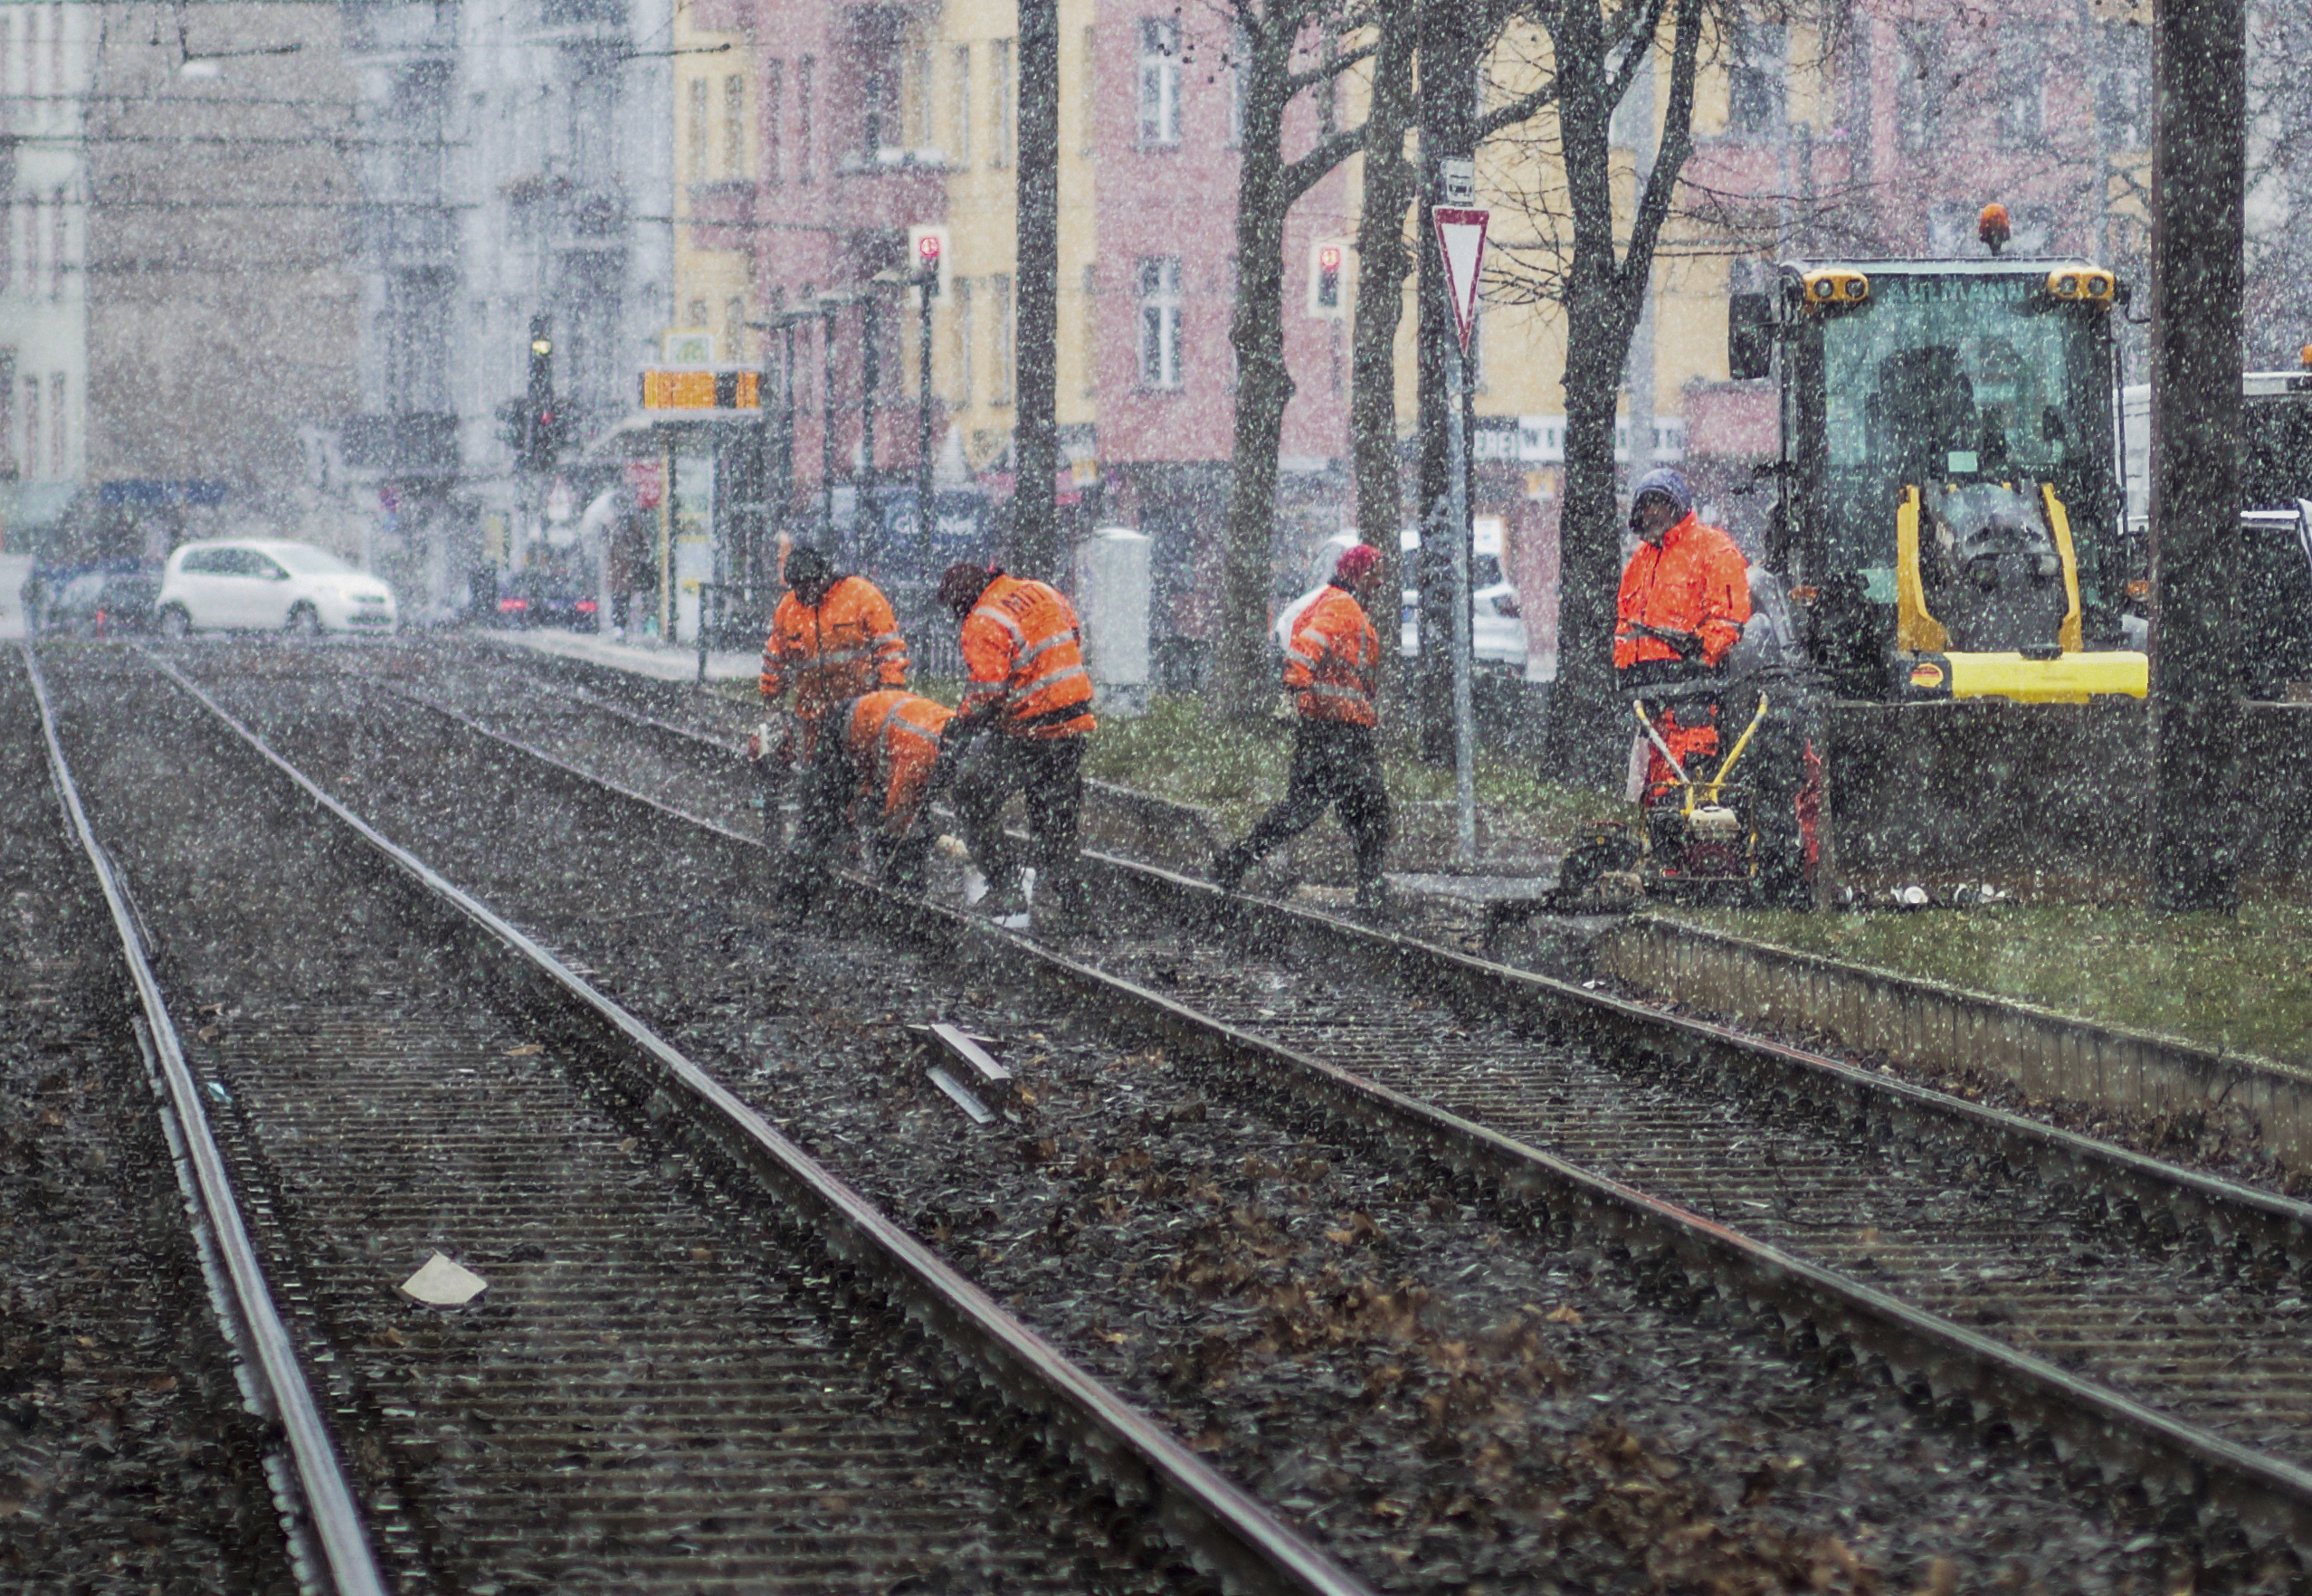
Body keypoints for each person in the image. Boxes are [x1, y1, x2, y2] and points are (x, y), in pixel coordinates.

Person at [1212, 542, 1392, 912]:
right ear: (1358, 573)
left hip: (1327, 728)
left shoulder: (1340, 604)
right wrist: (1295, 684)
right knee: (1370, 810)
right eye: (1375, 573)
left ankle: (1237, 860)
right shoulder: (1341, 605)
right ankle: (1372, 893)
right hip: (1341, 730)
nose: (1381, 581)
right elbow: (1310, 643)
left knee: (1304, 807)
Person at [937, 560, 1097, 922]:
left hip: (1030, 728)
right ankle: (1075, 907)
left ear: (963, 601)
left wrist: (961, 727)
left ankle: (1005, 886)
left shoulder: (982, 619)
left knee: (970, 791)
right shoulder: (1039, 590)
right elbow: (1072, 632)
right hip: (1073, 722)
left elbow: (987, 692)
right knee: (1055, 816)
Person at [753, 544, 909, 854]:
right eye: (797, 588)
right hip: (815, 716)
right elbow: (775, 658)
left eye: (809, 585)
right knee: (821, 782)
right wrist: (772, 707)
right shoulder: (788, 610)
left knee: (867, 780)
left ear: (825, 577)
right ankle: (839, 841)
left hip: (860, 712)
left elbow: (890, 649)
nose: (804, 593)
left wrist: (887, 697)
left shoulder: (861, 596)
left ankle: (876, 843)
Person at [1614, 467, 1751, 803]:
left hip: (1693, 702)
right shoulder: (1638, 563)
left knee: (1687, 794)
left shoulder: (1712, 548)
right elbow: (1625, 626)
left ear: (1678, 505)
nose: (1652, 512)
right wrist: (1624, 674)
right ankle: (1659, 848)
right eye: (1646, 505)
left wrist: (1696, 661)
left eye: (1659, 502)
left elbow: (1729, 619)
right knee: (1653, 796)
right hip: (1649, 703)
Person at [785, 689, 956, 889]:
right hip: (846, 730)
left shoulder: (954, 733)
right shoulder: (919, 757)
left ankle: (897, 884)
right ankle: (795, 892)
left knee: (910, 826)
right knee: (820, 818)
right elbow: (897, 817)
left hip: (879, 734)